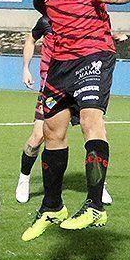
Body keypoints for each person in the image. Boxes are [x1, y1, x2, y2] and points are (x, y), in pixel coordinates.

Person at [21, 0, 130, 241]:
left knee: (90, 119)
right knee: (52, 133)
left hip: (94, 50)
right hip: (59, 57)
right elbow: (42, 7)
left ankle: (94, 206)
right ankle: (53, 206)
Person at [16, 15, 113, 206]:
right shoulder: (46, 21)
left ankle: (98, 187)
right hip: (53, 86)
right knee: (37, 137)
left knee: (96, 131)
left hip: (81, 81)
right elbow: (31, 39)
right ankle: (24, 178)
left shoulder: (83, 19)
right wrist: (26, 68)